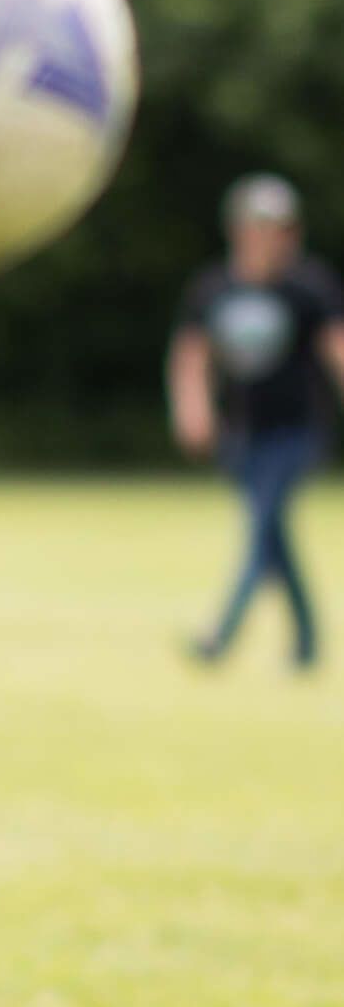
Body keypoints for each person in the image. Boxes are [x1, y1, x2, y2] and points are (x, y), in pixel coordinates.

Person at [168, 174, 344, 670]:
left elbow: (336, 348)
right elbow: (191, 355)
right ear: (238, 230)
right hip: (243, 434)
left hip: (299, 431)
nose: (268, 236)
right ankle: (309, 645)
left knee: (261, 528)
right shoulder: (214, 288)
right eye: (257, 226)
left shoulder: (310, 287)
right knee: (275, 539)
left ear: (292, 233)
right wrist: (193, 408)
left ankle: (218, 638)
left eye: (278, 227)